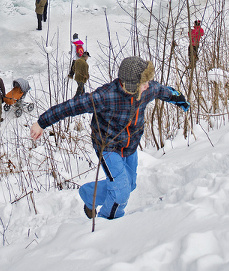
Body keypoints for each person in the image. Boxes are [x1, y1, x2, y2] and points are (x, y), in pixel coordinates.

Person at [31, 56, 189, 220]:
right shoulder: (105, 97)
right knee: (121, 194)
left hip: (130, 146)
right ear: (131, 85)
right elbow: (70, 107)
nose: (148, 85)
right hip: (108, 147)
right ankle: (107, 225)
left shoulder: (147, 90)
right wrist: (42, 122)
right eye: (143, 83)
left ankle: (89, 195)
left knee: (130, 185)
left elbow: (162, 90)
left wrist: (178, 98)